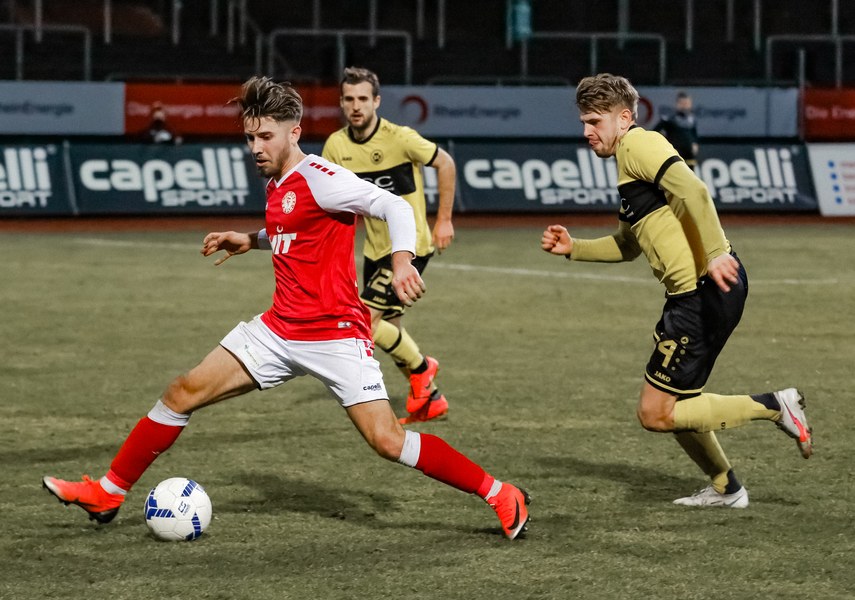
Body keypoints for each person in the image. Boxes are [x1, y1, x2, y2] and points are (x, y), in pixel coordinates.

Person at [43, 76, 530, 540]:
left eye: (266, 137)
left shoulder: (322, 177)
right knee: (181, 391)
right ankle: (107, 493)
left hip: (336, 335)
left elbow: (395, 207)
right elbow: (294, 230)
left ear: (294, 133)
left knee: (388, 441)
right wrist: (250, 239)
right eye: (250, 137)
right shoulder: (277, 180)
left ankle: (500, 493)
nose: (256, 147)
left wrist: (402, 259)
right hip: (278, 330)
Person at [541, 73, 812, 508]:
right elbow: (628, 246)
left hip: (703, 289)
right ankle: (726, 487)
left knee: (655, 413)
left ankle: (774, 405)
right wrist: (575, 248)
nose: (587, 131)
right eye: (584, 122)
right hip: (693, 293)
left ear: (623, 118)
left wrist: (715, 253)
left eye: (594, 121)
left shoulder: (639, 144)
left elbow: (694, 190)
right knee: (677, 402)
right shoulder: (626, 164)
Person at [322, 67, 456, 425]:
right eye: (349, 99)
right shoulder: (336, 146)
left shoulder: (401, 138)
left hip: (409, 249)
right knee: (390, 328)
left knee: (363, 322)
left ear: (377, 101)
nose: (356, 106)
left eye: (363, 99)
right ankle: (431, 398)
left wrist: (443, 219)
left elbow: (445, 163)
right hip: (374, 251)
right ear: (341, 103)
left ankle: (422, 368)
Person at [652, 91, 699, 167]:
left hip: (689, 156)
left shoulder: (692, 119)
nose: (685, 106)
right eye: (682, 103)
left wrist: (695, 143)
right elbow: (654, 132)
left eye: (687, 103)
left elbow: (694, 134)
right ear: (677, 104)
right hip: (675, 156)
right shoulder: (668, 119)